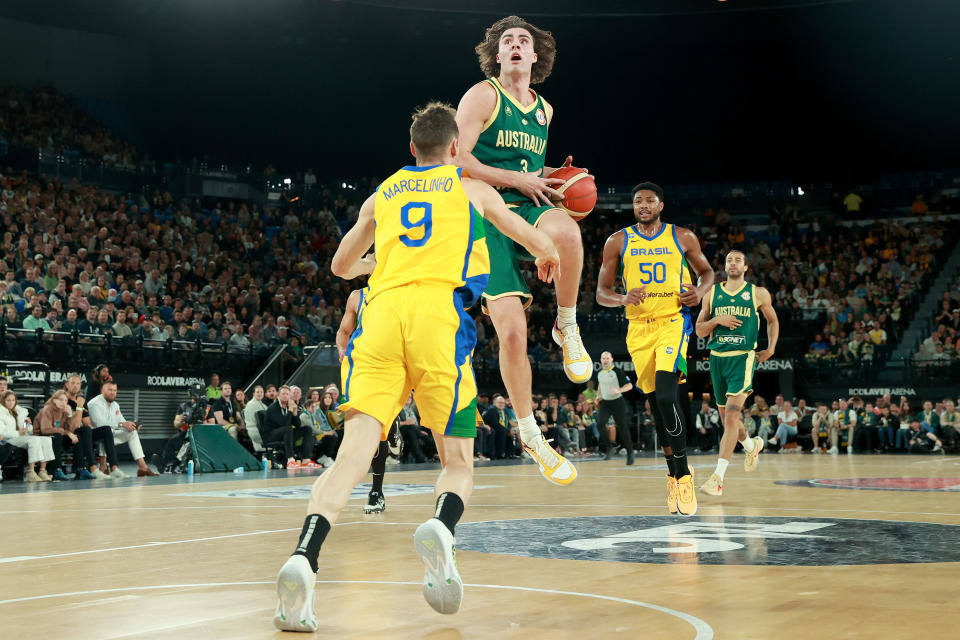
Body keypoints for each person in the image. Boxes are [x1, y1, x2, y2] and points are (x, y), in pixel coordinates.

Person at [273, 102, 560, 631]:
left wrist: (381, 263)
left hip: (379, 318)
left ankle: (304, 557)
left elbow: (339, 266)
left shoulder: (383, 193)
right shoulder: (473, 188)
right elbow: (533, 236)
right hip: (438, 319)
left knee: (352, 454)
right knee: (457, 461)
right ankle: (441, 529)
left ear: (412, 150)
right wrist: (548, 256)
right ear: (456, 149)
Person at [455, 15, 586, 485]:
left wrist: (552, 176)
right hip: (485, 217)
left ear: (535, 56)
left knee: (568, 234)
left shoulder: (544, 110)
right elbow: (458, 160)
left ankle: (566, 325)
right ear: (497, 54)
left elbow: (526, 165)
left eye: (522, 41)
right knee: (510, 334)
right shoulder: (482, 94)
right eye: (506, 40)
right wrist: (520, 179)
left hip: (526, 205)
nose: (514, 45)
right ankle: (531, 433)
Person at [596, 181, 715, 516]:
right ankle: (673, 474)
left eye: (650, 201)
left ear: (661, 205)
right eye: (638, 201)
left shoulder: (682, 236)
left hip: (672, 324)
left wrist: (700, 292)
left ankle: (684, 475)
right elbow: (601, 292)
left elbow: (706, 273)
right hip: (638, 331)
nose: (643, 205)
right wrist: (622, 298)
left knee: (666, 397)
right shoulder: (617, 240)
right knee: (655, 406)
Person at [694, 249, 778, 496]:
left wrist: (770, 348)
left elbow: (772, 321)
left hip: (743, 357)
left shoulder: (757, 293)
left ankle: (717, 478)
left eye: (737, 260)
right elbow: (699, 330)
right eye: (729, 260)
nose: (733, 263)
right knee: (727, 421)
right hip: (717, 359)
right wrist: (717, 320)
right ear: (725, 266)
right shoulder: (711, 293)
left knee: (731, 417)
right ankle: (751, 446)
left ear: (745, 267)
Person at [88, 380, 158, 477]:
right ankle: (103, 467)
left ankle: (143, 467)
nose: (113, 392)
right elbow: (101, 425)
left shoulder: (115, 405)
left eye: (115, 390)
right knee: (106, 431)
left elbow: (122, 422)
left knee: (132, 433)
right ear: (102, 391)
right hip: (94, 436)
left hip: (110, 435)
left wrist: (131, 426)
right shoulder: (94, 403)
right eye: (110, 390)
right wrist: (121, 424)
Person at [0, 390, 54, 482]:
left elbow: (27, 430)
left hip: (22, 437)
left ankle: (42, 471)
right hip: (9, 439)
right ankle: (30, 472)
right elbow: (2, 432)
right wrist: (18, 433)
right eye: (8, 400)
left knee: (46, 439)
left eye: (13, 400)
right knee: (34, 440)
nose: (11, 402)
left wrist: (27, 425)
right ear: (3, 401)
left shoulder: (20, 411)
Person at [263, 385, 317, 469]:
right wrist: (290, 410)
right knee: (288, 429)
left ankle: (306, 460)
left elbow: (298, 425)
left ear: (289, 396)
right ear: (278, 395)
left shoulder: (289, 406)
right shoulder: (273, 408)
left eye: (287, 394)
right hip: (271, 435)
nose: (285, 396)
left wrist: (295, 412)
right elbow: (284, 424)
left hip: (286, 434)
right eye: (283, 393)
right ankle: (290, 460)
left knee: (307, 429)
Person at [595, 351, 635, 465]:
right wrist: (598, 397)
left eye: (608, 358)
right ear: (601, 360)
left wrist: (619, 390)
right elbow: (600, 385)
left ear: (611, 359)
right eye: (603, 358)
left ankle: (630, 452)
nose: (606, 360)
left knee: (622, 428)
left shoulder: (617, 371)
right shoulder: (600, 373)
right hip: (606, 403)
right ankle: (609, 447)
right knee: (600, 424)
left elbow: (630, 385)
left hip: (618, 402)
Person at [34, 389, 77, 481]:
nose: (63, 403)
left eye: (65, 400)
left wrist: (70, 416)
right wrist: (65, 432)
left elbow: (70, 430)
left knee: (77, 436)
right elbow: (45, 430)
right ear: (54, 400)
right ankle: (55, 470)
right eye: (61, 400)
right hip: (41, 437)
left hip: (57, 436)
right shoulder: (47, 410)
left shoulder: (64, 411)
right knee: (56, 436)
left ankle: (80, 468)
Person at [243, 385, 269, 452]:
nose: (260, 394)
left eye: (261, 392)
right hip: (256, 431)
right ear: (253, 393)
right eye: (257, 392)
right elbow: (255, 422)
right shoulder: (251, 404)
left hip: (263, 430)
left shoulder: (264, 405)